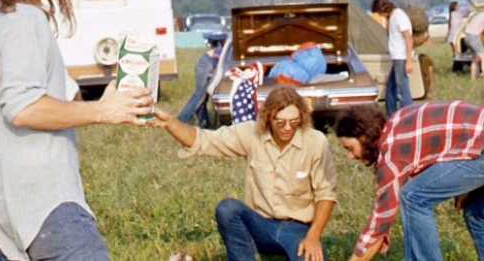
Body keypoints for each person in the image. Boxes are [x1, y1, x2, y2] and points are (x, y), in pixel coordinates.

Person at [0, 0, 153, 261]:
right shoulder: (24, 19)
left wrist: (13, 198)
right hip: (49, 206)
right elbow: (23, 107)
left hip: (5, 215)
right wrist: (103, 111)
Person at [152, 85, 337, 261]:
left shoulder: (316, 142)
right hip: (260, 225)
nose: (288, 128)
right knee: (228, 208)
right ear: (268, 118)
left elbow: (326, 194)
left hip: (298, 229)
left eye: (294, 122)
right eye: (280, 122)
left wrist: (314, 235)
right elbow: (203, 140)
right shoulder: (251, 133)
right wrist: (170, 123)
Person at [335, 102, 484, 260]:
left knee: (413, 196)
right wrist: (464, 186)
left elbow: (381, 219)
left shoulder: (392, 154)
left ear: (364, 138)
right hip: (478, 144)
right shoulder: (397, 121)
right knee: (476, 212)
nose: (350, 156)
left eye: (349, 148)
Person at [370, 0, 413, 117]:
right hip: (396, 57)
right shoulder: (393, 17)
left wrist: (409, 61)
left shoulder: (399, 16)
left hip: (401, 57)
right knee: (390, 88)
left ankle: (408, 116)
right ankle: (391, 115)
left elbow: (409, 39)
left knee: (402, 90)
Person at [176, 41, 221, 127]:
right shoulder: (227, 49)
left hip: (208, 62)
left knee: (203, 97)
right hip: (206, 62)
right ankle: (181, 120)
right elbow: (215, 62)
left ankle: (204, 123)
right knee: (199, 96)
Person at [463, 10, 484, 81]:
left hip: (467, 37)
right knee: (483, 57)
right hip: (474, 37)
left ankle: (473, 79)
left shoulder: (479, 14)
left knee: (475, 59)